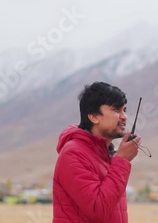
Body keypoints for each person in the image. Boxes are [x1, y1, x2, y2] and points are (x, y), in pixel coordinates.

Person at [52, 82, 141, 223]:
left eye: (124, 109)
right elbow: (97, 209)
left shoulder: (106, 155)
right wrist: (122, 160)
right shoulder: (74, 153)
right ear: (93, 116)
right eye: (116, 110)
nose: (124, 116)